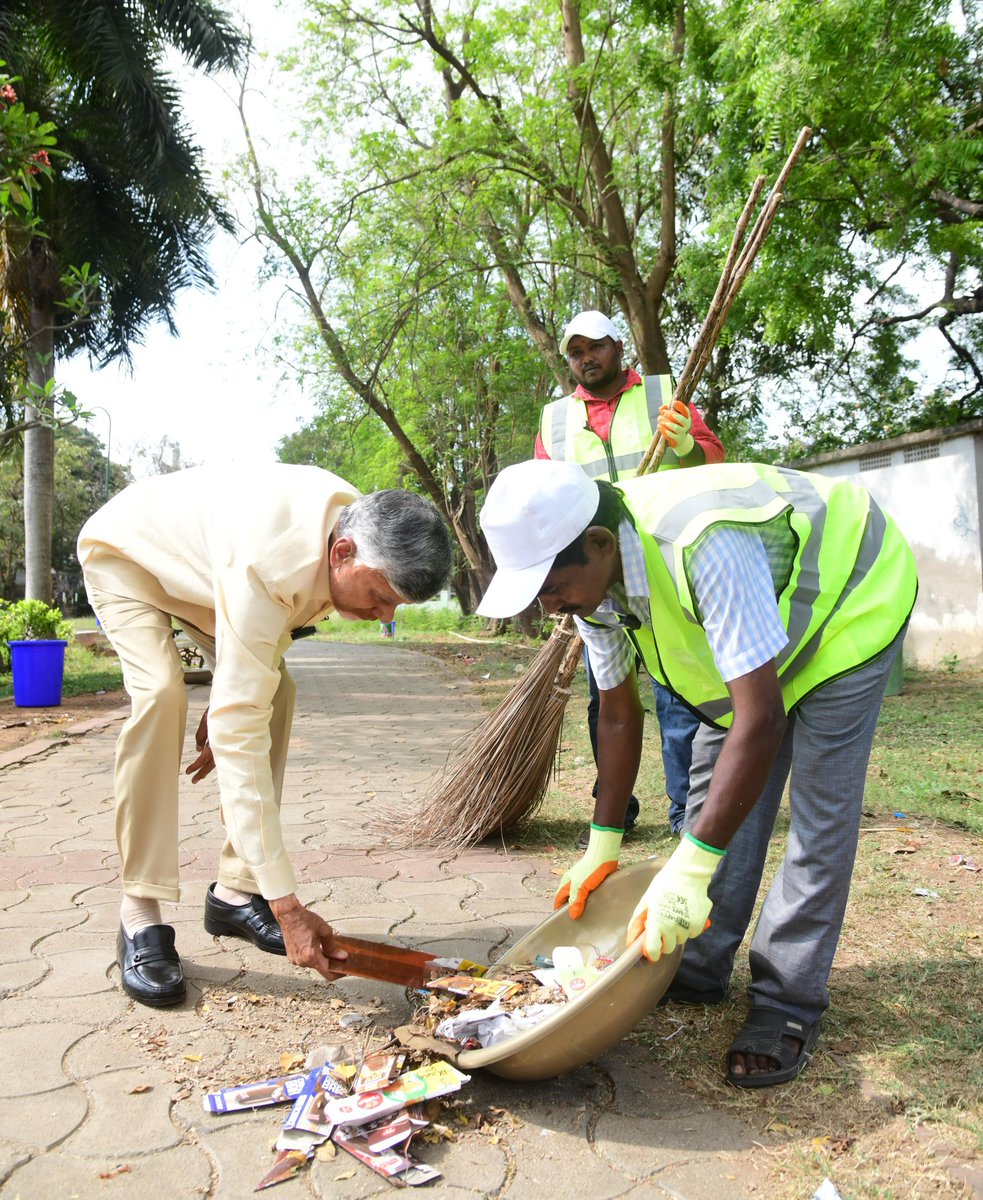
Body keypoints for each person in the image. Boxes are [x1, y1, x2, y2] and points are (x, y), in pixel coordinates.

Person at [475, 458, 916, 1087]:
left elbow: (759, 720)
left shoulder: (702, 541)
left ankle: (787, 1000)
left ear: (599, 545)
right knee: (717, 799)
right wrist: (602, 845)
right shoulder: (593, 583)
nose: (549, 607)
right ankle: (700, 962)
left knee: (819, 817)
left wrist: (694, 864)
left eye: (550, 587)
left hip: (850, 604)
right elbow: (620, 715)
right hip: (756, 646)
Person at [77, 463, 452, 1008]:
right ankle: (140, 910)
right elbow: (241, 726)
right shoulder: (270, 559)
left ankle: (233, 892)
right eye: (379, 596)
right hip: (128, 556)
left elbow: (269, 640)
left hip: (208, 574)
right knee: (162, 695)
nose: (383, 615)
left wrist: (233, 695)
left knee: (275, 694)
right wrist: (288, 906)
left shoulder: (353, 527)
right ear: (342, 553)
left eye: (395, 604)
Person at [535, 310, 726, 847]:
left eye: (594, 346)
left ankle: (686, 811)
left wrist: (687, 445)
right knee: (608, 699)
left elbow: (714, 462)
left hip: (666, 570)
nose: (584, 358)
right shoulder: (555, 420)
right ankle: (617, 808)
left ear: (618, 347)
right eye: (575, 351)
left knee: (679, 694)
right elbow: (544, 499)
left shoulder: (665, 394)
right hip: (597, 581)